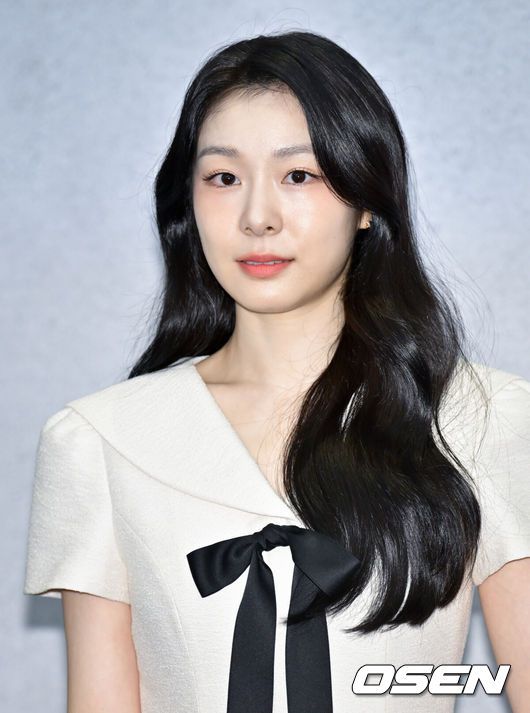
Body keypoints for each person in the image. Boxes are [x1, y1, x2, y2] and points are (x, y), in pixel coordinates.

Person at [23, 30, 530, 713]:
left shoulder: (485, 420)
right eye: (224, 178)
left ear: (367, 199)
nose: (257, 217)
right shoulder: (101, 440)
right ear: (188, 201)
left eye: (299, 176)